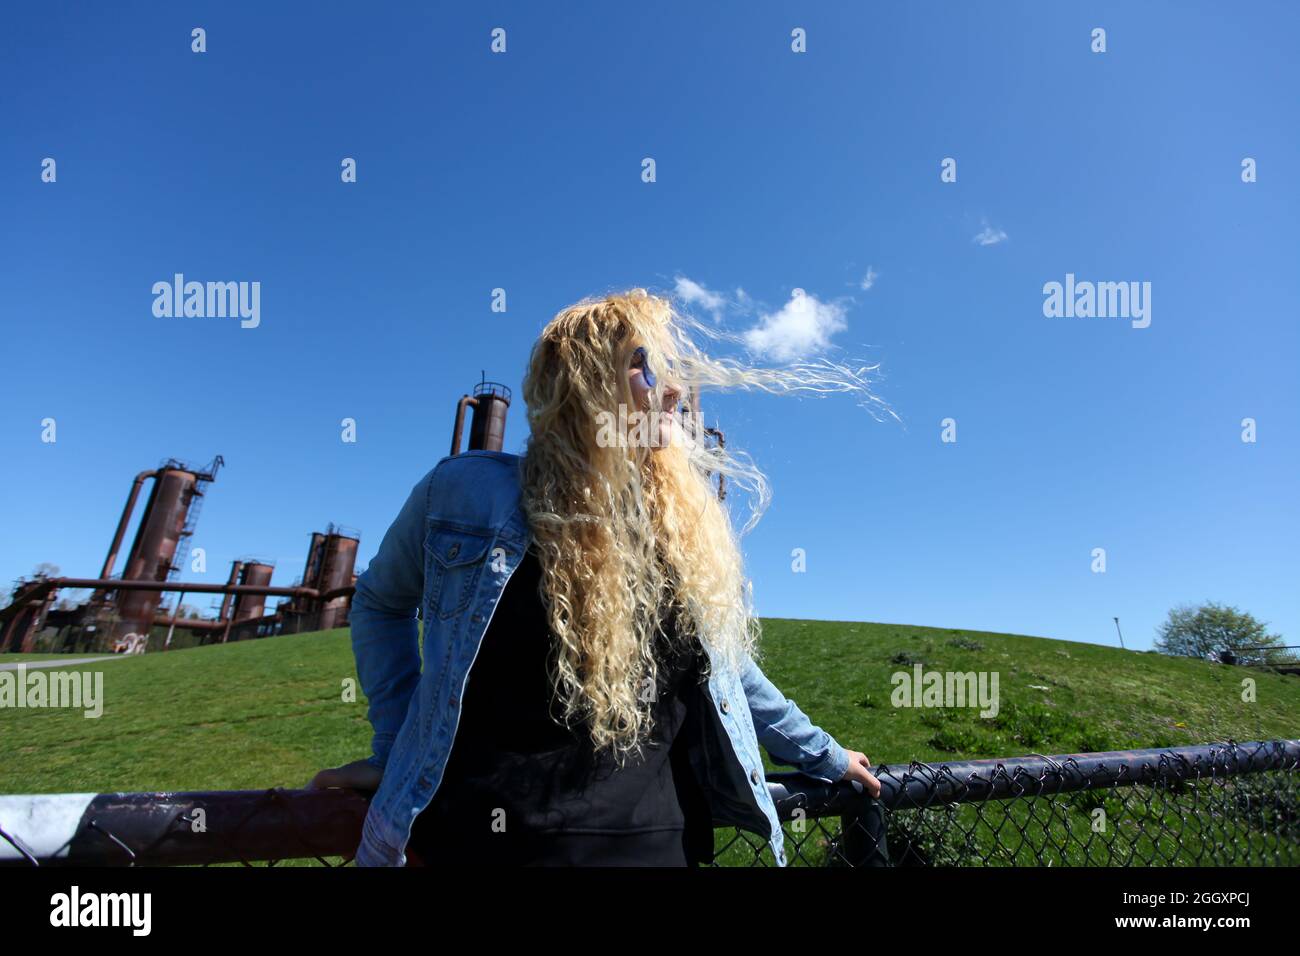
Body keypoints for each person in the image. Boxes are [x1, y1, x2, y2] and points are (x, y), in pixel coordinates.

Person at [310, 289, 884, 866]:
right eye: (644, 363)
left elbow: (732, 669)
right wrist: (393, 747)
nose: (676, 390)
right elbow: (380, 604)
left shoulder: (679, 530)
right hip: (473, 845)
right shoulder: (466, 495)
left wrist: (825, 755)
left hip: (657, 848)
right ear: (582, 384)